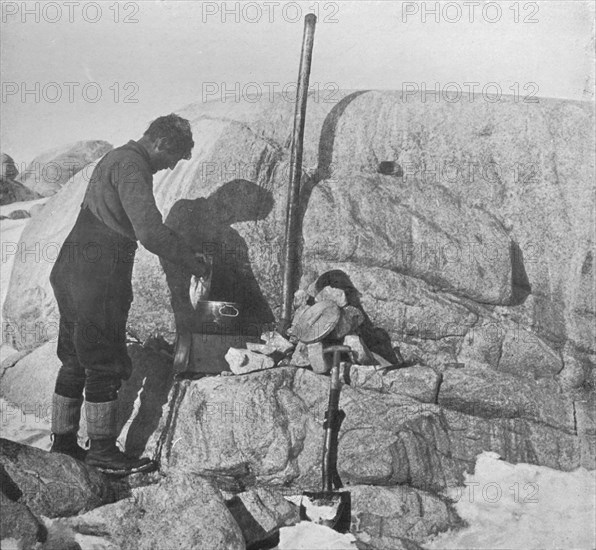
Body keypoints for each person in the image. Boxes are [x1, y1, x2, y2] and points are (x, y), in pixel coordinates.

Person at [49, 114, 210, 475]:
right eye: (172, 158)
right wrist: (191, 261)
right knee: (104, 361)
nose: (169, 167)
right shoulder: (132, 165)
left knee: (75, 357)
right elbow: (150, 232)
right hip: (98, 273)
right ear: (161, 144)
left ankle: (62, 444)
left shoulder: (116, 158)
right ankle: (103, 452)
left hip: (71, 269)